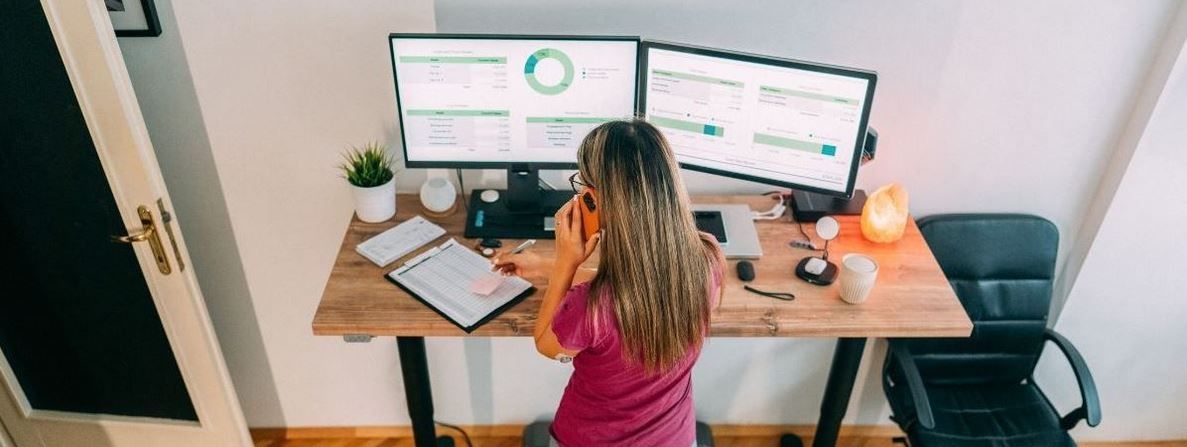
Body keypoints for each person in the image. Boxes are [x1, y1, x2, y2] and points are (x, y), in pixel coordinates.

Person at [494, 119, 724, 447]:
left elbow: (546, 343)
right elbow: (637, 286)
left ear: (593, 198)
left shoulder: (589, 306)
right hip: (674, 438)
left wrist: (565, 262)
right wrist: (543, 267)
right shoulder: (707, 257)